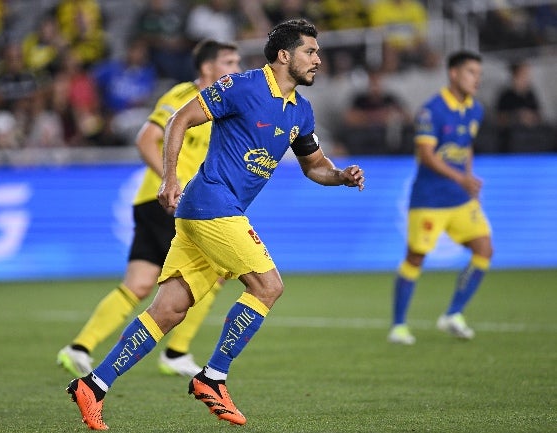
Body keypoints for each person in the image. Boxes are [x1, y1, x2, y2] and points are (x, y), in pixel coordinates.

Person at [65, 19, 365, 430]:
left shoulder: (302, 111)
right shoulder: (242, 86)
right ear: (283, 55)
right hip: (211, 204)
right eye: (310, 51)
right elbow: (179, 120)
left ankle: (93, 386)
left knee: (169, 310)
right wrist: (170, 177)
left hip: (207, 213)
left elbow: (315, 166)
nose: (318, 59)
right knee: (269, 285)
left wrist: (341, 177)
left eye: (317, 52)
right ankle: (213, 377)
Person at [57, 39, 242, 380]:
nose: (237, 69)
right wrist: (174, 181)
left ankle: (79, 346)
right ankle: (176, 352)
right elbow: (145, 138)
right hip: (171, 201)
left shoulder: (222, 105)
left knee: (139, 283)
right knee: (216, 271)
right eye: (229, 62)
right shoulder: (182, 96)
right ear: (207, 68)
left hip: (152, 200)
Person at [387, 50, 494, 346]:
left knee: (484, 249)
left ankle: (454, 314)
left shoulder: (475, 110)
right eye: (472, 72)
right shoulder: (431, 111)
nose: (477, 79)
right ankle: (398, 325)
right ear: (454, 74)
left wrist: (470, 185)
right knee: (416, 258)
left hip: (460, 199)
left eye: (479, 74)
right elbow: (426, 156)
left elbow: (466, 147)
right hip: (429, 199)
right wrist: (462, 178)